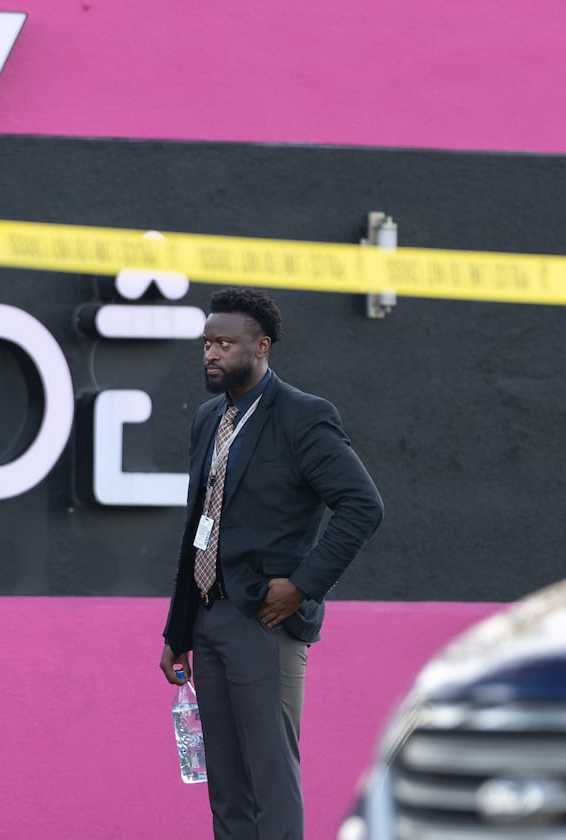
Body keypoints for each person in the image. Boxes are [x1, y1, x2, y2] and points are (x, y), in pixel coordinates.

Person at [158, 287, 383, 840]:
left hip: (265, 618)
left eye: (225, 343)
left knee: (270, 778)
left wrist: (303, 586)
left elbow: (362, 505)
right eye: (206, 342)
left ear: (261, 346)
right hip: (208, 619)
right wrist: (178, 629)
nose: (211, 353)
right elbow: (198, 528)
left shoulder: (304, 417)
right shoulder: (210, 418)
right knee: (227, 786)